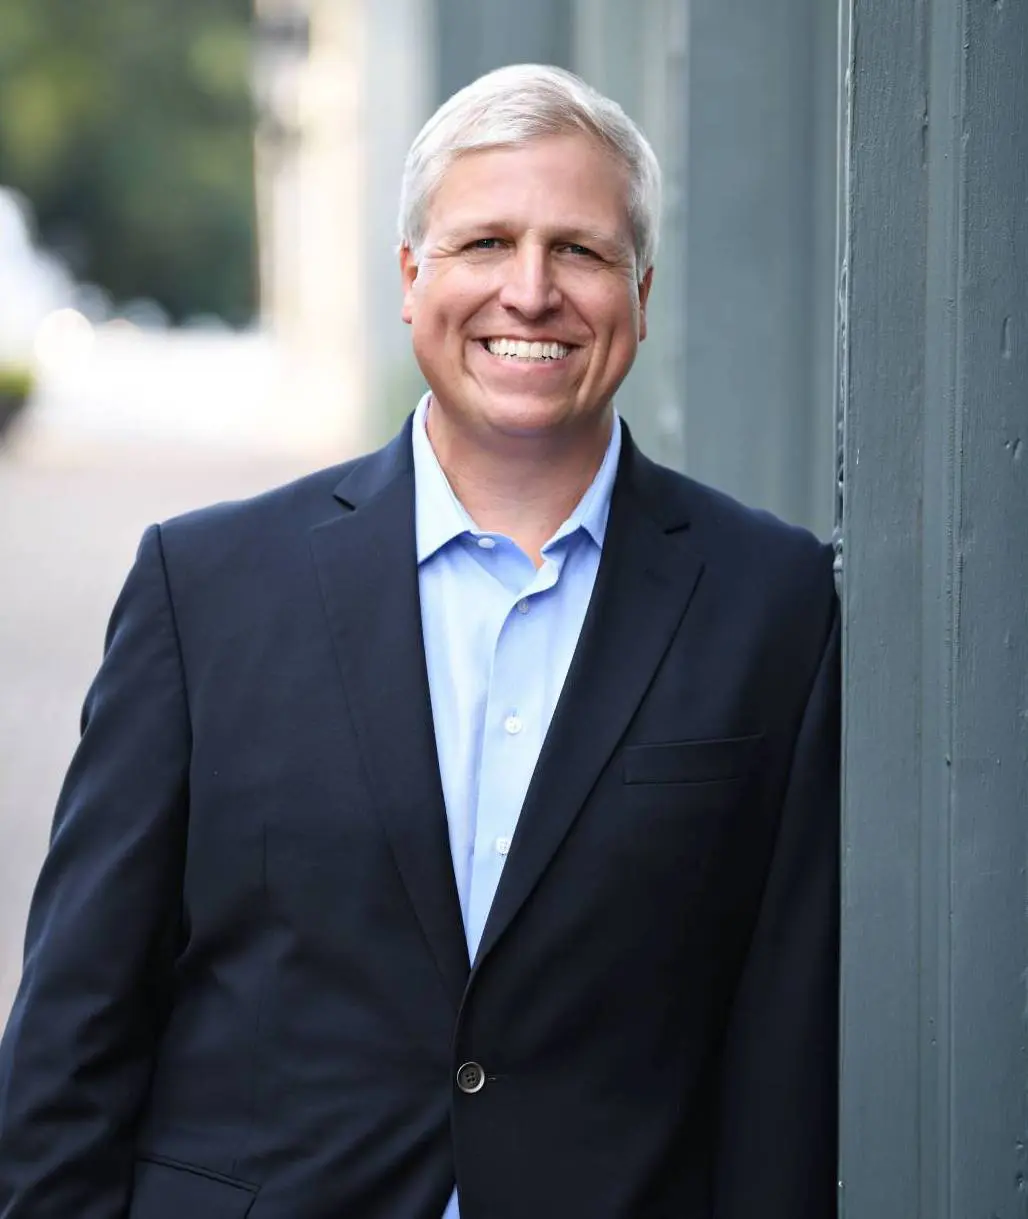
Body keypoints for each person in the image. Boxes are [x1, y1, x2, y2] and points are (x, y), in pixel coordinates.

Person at [0, 64, 839, 1219]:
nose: (529, 291)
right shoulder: (203, 589)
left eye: (579, 251)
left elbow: (778, 1052)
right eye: (484, 243)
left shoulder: (771, 601)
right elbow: (72, 1031)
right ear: (410, 278)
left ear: (641, 292)